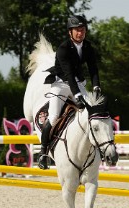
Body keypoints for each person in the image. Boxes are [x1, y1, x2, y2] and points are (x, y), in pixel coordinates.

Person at [38, 15, 101, 169]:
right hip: (60, 83)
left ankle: (97, 149)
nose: (81, 33)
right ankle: (43, 153)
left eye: (83, 30)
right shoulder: (63, 49)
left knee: (92, 113)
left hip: (78, 83)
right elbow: (68, 75)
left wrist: (96, 87)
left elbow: (93, 69)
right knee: (53, 118)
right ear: (70, 32)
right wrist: (78, 96)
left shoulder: (88, 47)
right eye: (77, 30)